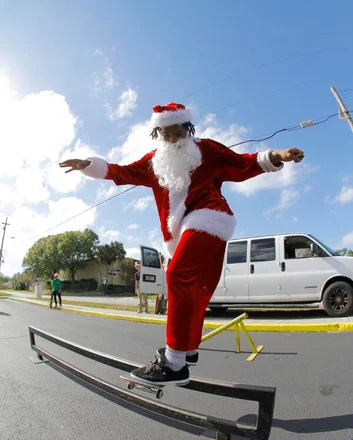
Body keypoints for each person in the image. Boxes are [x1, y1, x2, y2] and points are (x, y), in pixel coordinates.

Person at [59, 102, 304, 386]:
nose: (173, 140)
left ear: (187, 129)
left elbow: (242, 164)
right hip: (180, 235)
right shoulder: (152, 163)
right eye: (166, 134)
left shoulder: (207, 151)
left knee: (176, 275)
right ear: (158, 134)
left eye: (178, 132)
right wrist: (88, 165)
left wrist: (276, 155)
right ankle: (189, 350)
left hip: (211, 218)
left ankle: (174, 364)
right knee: (196, 290)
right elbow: (120, 172)